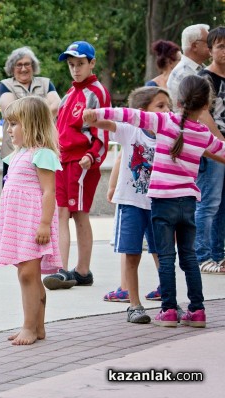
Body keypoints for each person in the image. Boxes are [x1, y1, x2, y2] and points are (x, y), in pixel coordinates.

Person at [83, 74, 224, 329]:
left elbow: (127, 115)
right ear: (206, 106)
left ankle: (169, 311)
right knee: (190, 258)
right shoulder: (204, 133)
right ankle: (198, 311)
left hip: (161, 202)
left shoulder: (164, 121)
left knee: (167, 257)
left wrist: (95, 112)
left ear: (179, 101)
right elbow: (221, 150)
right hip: (189, 203)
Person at [96, 87, 172, 323]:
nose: (167, 111)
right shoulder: (131, 131)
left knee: (163, 254)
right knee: (132, 254)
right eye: (160, 106)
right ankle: (135, 305)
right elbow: (108, 123)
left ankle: (169, 303)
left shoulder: (169, 134)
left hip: (159, 204)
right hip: (132, 203)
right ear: (142, 112)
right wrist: (94, 116)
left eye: (168, 106)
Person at [42, 41, 111, 291]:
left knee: (78, 213)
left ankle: (79, 270)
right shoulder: (70, 93)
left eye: (80, 64)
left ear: (92, 63)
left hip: (81, 161)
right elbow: (60, 128)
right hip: (62, 160)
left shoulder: (96, 92)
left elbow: (102, 129)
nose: (75, 69)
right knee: (61, 211)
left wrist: (92, 156)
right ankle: (65, 268)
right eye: (71, 65)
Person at [0, 96, 61, 345]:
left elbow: (49, 192)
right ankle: (37, 326)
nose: (9, 129)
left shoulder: (41, 154)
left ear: (30, 124)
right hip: (18, 223)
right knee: (27, 274)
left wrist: (44, 223)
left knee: (28, 275)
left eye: (14, 124)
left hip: (32, 223)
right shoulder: (19, 154)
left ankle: (29, 327)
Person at [0, 46, 61, 179]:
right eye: (19, 65)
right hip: (14, 151)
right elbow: (9, 109)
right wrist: (41, 108)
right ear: (12, 67)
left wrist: (25, 113)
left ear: (33, 66)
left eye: (27, 64)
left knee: (45, 189)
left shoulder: (46, 82)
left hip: (43, 148)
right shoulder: (5, 84)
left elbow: (57, 105)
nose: (24, 68)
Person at [194, 26, 225, 274]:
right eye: (221, 47)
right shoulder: (204, 78)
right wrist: (219, 141)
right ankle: (202, 255)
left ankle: (219, 255)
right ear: (211, 50)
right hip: (212, 148)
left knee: (222, 205)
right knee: (208, 202)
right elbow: (202, 112)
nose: (224, 52)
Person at [167, 24, 210, 109]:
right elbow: (193, 112)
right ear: (194, 46)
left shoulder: (201, 69)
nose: (212, 45)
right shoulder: (183, 74)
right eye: (208, 41)